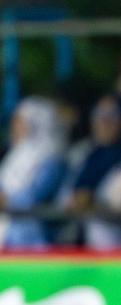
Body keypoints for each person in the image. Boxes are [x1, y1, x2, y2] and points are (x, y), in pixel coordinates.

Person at [0, 97, 67, 248]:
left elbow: (34, 197)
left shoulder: (53, 161)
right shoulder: (14, 157)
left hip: (32, 237)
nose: (15, 128)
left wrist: (7, 200)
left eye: (21, 123)